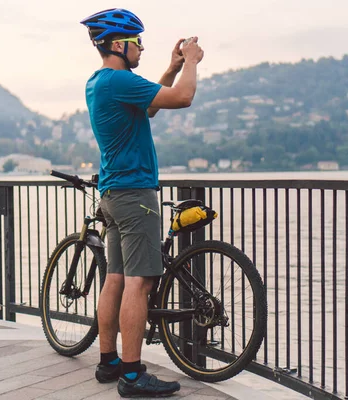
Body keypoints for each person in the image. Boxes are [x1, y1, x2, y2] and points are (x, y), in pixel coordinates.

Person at [79, 8, 204, 398]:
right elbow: (182, 98)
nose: (142, 48)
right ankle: (132, 376)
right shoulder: (119, 81)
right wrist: (193, 64)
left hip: (114, 194)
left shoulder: (101, 81)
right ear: (120, 45)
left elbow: (150, 105)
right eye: (137, 43)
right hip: (135, 194)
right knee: (140, 281)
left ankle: (109, 361)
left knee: (115, 278)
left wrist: (171, 66)